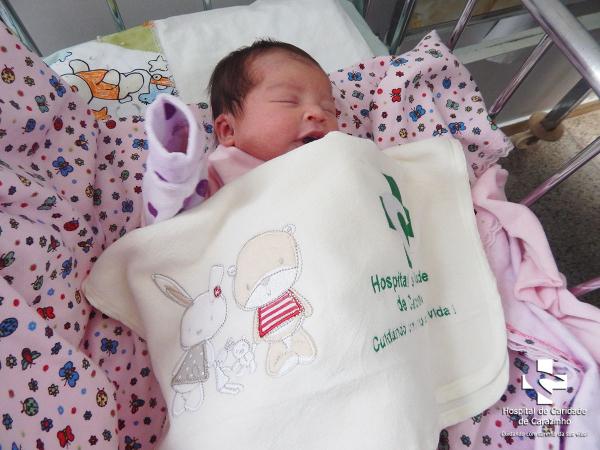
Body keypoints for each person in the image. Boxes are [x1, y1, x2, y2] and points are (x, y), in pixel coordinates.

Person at [142, 39, 340, 225]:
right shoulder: (217, 176)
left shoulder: (338, 160)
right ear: (228, 130)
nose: (318, 113)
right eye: (288, 100)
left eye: (328, 108)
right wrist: (176, 171)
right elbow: (172, 224)